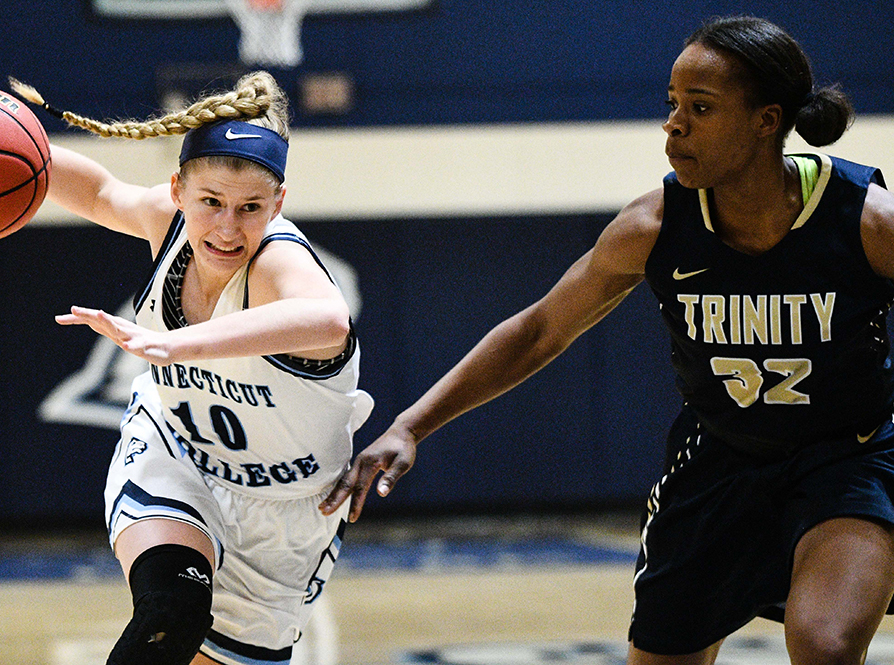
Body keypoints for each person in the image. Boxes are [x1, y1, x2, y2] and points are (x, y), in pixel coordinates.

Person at [321, 15, 894, 665]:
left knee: (826, 641)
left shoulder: (864, 220)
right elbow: (540, 329)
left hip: (848, 457)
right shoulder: (654, 223)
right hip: (719, 462)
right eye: (672, 104)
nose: (673, 125)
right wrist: (411, 426)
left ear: (767, 120)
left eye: (700, 108)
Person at [11, 72, 373, 665]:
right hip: (177, 453)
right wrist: (11, 136)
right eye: (210, 203)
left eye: (249, 208)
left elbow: (329, 320)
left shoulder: (282, 262)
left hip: (282, 510)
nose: (228, 227)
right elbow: (101, 193)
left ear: (278, 203)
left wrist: (178, 347)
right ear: (178, 189)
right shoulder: (166, 219)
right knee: (170, 614)